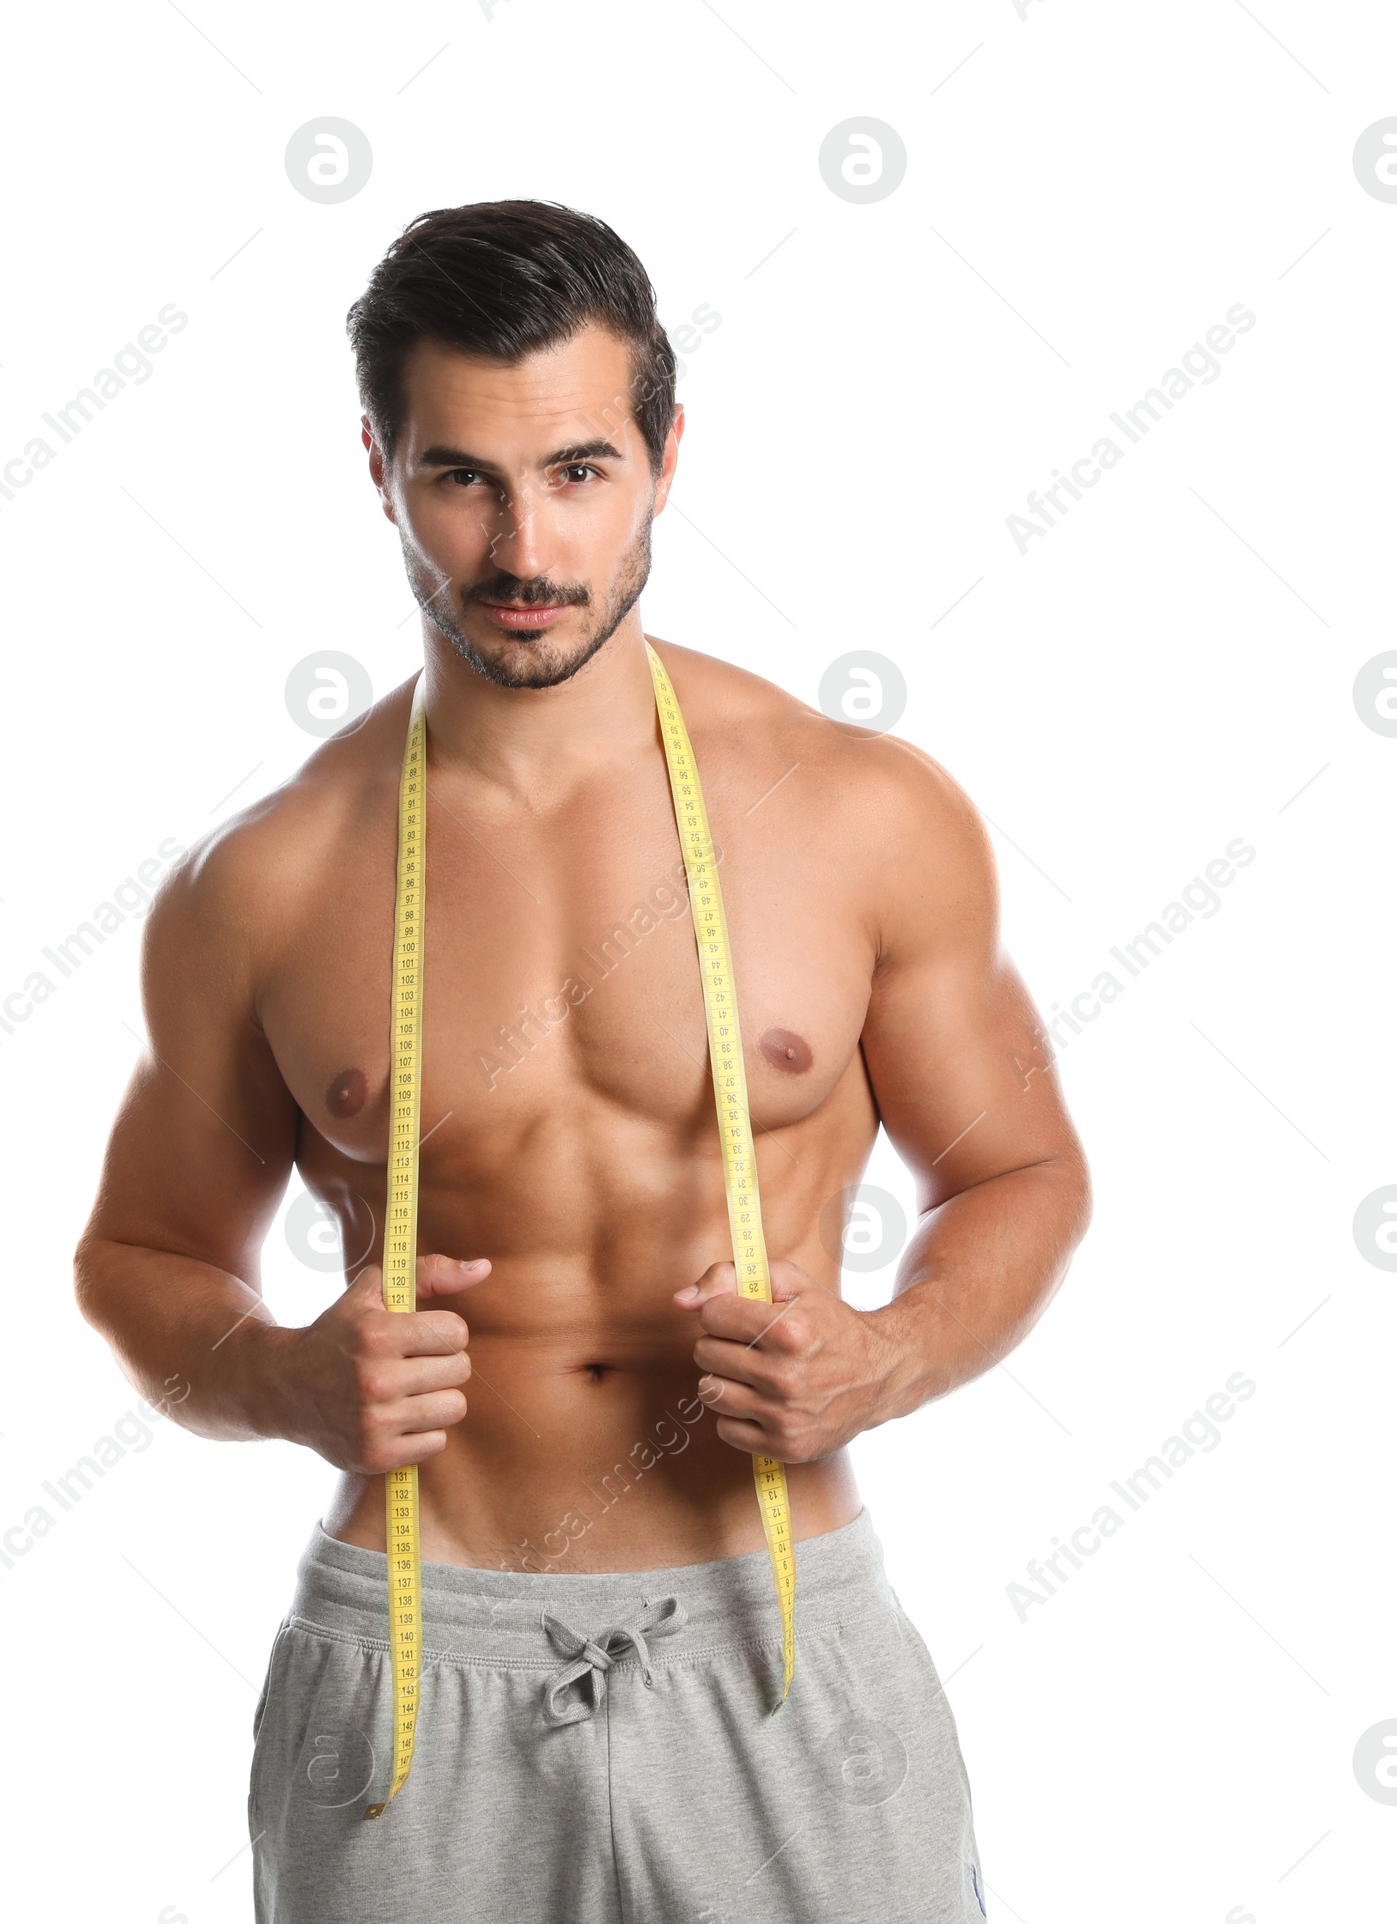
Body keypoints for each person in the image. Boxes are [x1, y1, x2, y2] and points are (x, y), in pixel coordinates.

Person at [74, 198, 1091, 1923]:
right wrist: (283, 1382)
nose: (522, 545)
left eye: (579, 472)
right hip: (416, 1647)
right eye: (462, 476)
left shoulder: (855, 813)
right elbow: (143, 1257)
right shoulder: (268, 877)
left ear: (667, 457)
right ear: (380, 471)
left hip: (776, 1636)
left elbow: (1023, 1173)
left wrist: (893, 1352)